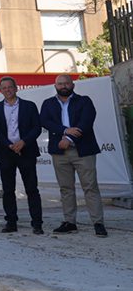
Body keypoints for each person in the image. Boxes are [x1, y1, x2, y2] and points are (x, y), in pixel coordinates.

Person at [40, 74, 106, 237]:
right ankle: (70, 222)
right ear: (55, 86)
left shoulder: (84, 101)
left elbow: (86, 122)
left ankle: (98, 223)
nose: (63, 86)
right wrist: (65, 130)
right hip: (60, 153)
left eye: (66, 83)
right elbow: (44, 121)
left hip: (83, 151)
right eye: (60, 83)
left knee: (90, 187)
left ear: (72, 85)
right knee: (66, 188)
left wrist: (69, 138)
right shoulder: (48, 103)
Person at [0, 76, 43, 234]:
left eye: (10, 87)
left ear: (16, 88)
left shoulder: (29, 106)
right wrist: (9, 144)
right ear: (1, 90)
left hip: (26, 151)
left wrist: (23, 142)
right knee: (8, 189)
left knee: (31, 188)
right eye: (4, 88)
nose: (7, 90)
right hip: (6, 152)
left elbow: (37, 127)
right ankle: (11, 222)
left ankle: (37, 223)